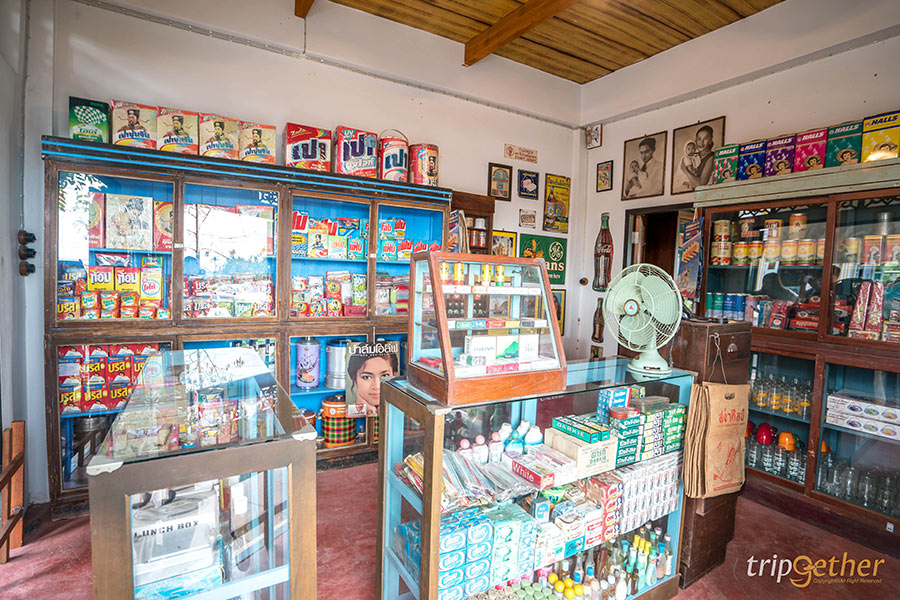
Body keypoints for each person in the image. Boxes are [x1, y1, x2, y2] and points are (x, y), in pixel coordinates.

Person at [348, 350, 398, 416]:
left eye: (385, 376)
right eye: (366, 377)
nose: (377, 386)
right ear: (355, 380)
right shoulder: (345, 414)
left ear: (395, 375)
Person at [678, 125, 716, 190]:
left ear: (710, 140)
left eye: (705, 139)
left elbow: (700, 184)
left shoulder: (711, 157)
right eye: (699, 139)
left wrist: (685, 170)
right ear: (695, 140)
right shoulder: (693, 156)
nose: (701, 142)